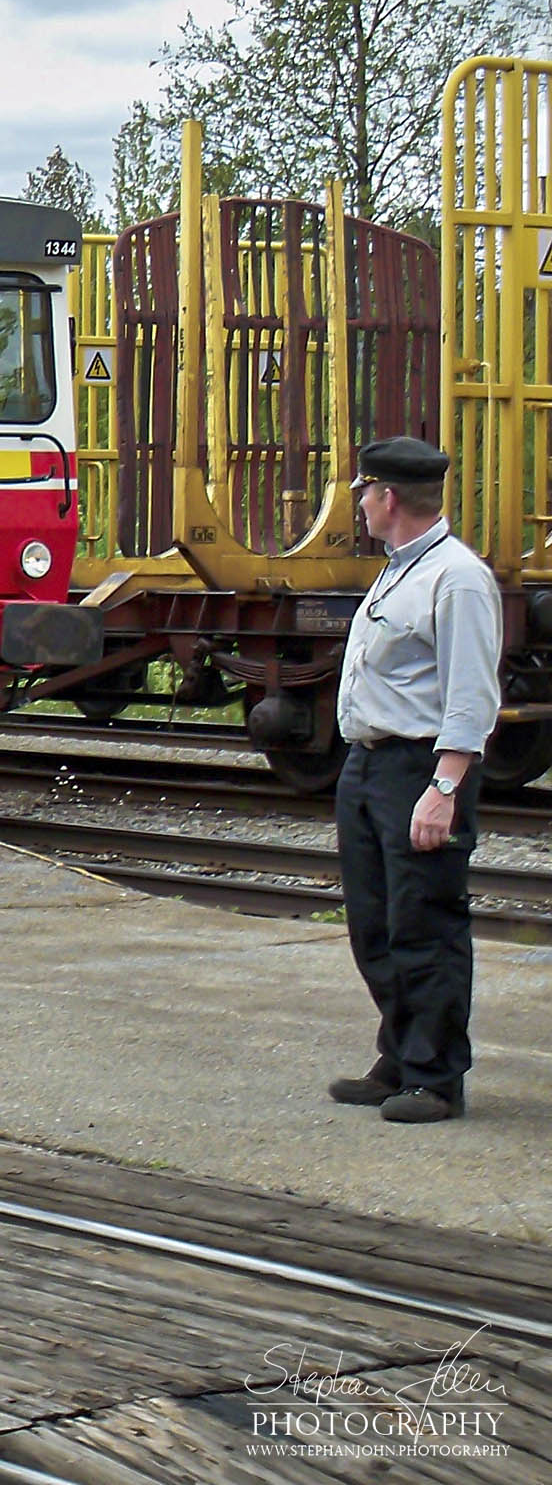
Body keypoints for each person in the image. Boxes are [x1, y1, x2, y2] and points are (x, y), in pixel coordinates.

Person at [326, 436, 499, 1124]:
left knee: (423, 920)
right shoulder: (401, 569)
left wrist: (445, 786)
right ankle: (400, 1055)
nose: (361, 503)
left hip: (420, 768)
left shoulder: (456, 577)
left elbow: (471, 693)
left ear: (388, 497)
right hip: (369, 764)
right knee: (375, 923)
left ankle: (435, 1077)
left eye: (364, 491)